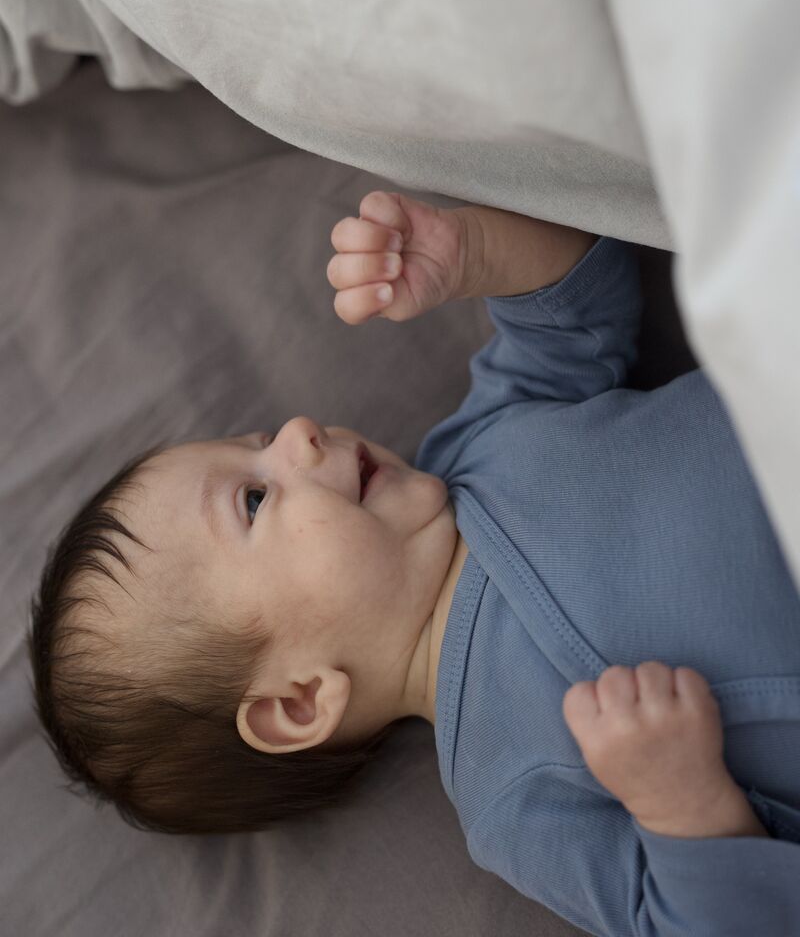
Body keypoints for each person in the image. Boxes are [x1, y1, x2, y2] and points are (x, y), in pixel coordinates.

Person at [28, 191, 800, 936]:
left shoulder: (475, 444)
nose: (297, 431)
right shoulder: (513, 795)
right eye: (255, 499)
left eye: (258, 439)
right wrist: (682, 803)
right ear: (301, 700)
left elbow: (574, 304)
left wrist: (470, 253)